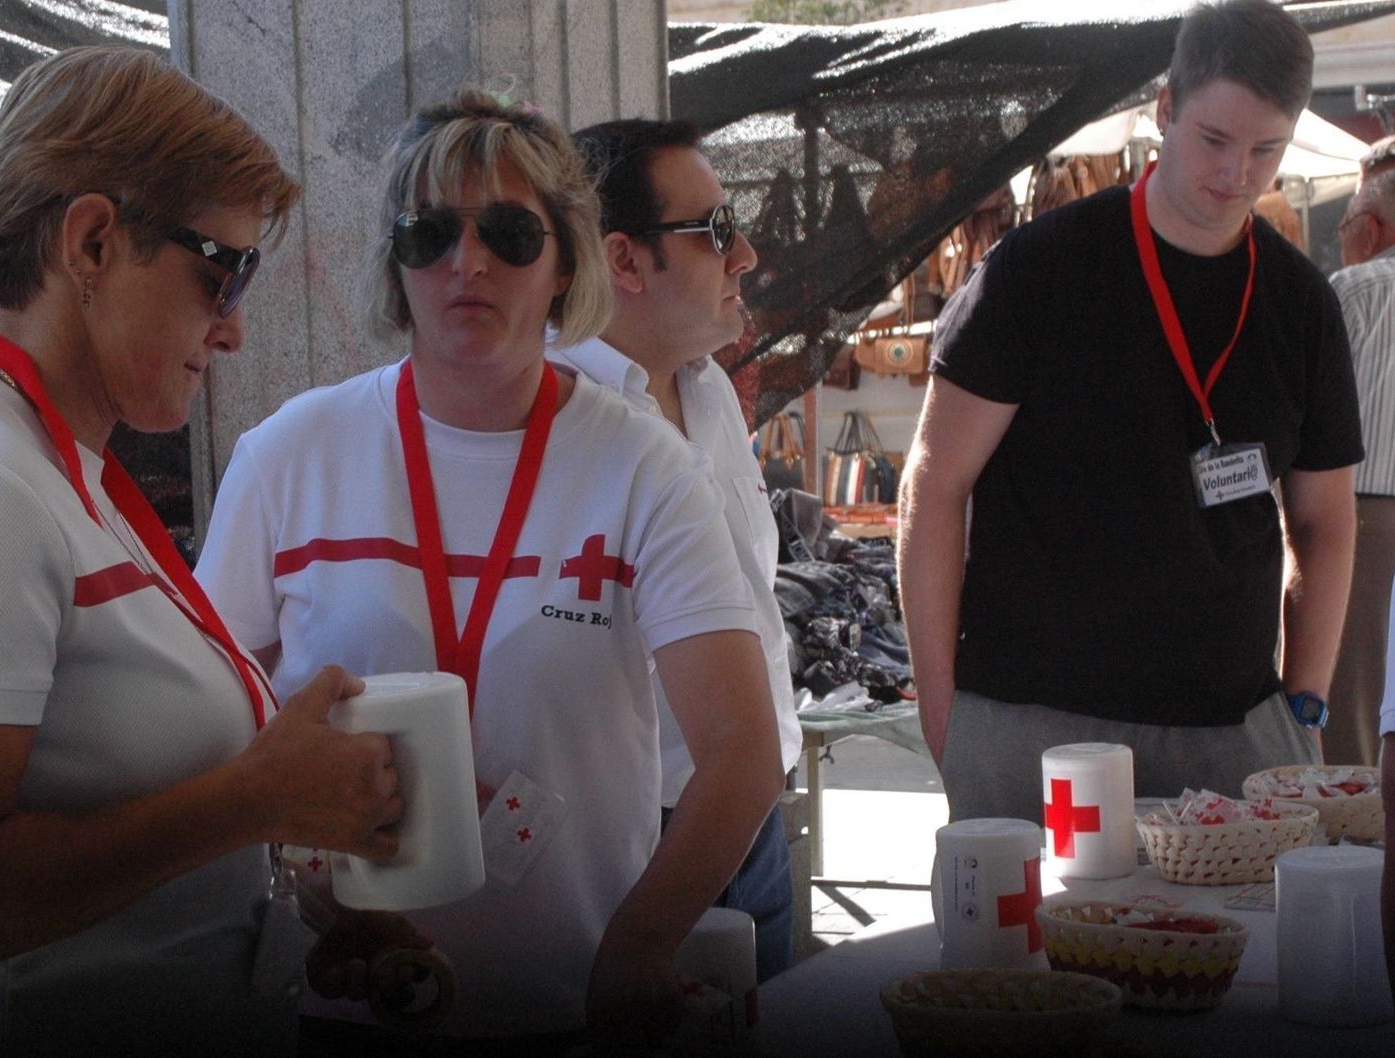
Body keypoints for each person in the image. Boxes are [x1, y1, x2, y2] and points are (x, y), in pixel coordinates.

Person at [0, 47, 409, 1057]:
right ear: (90, 240)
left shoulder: (39, 467)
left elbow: (114, 841)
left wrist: (275, 925)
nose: (235, 330)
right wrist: (257, 794)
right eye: (223, 270)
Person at [193, 88, 783, 1050]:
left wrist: (637, 950)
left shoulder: (640, 466)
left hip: (574, 1009)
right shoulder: (288, 458)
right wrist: (297, 867)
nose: (466, 263)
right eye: (429, 234)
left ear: (565, 265)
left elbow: (741, 753)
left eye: (510, 233)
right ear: (399, 263)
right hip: (351, 1000)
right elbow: (218, 733)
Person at [898, 0, 1361, 825]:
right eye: (1215, 140)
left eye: (1266, 150)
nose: (1237, 174)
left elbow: (1324, 523)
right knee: (1015, 958)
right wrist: (947, 716)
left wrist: (1307, 705)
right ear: (1165, 110)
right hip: (1032, 726)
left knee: (1250, 957)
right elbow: (934, 485)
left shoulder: (1302, 304)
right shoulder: (1038, 271)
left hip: (1234, 734)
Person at [552, 117, 803, 982]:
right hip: (644, 838)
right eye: (717, 231)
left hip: (759, 824)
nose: (748, 255)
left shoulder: (710, 391)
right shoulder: (550, 420)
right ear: (623, 261)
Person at [1328, 171, 1395, 767]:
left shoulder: (1352, 290)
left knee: (1353, 684)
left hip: (1367, 510)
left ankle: (1356, 828)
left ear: (1371, 230)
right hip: (1368, 504)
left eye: (1344, 227)